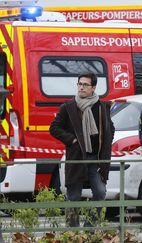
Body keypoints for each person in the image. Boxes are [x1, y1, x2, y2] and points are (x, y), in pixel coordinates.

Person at [49, 72, 115, 227]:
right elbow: (54, 128)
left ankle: (90, 228)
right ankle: (72, 231)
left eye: (85, 85)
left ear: (93, 88)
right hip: (77, 158)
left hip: (96, 159)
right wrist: (71, 140)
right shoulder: (68, 106)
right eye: (79, 84)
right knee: (73, 196)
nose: (81, 87)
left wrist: (106, 144)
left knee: (100, 193)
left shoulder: (102, 106)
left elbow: (110, 128)